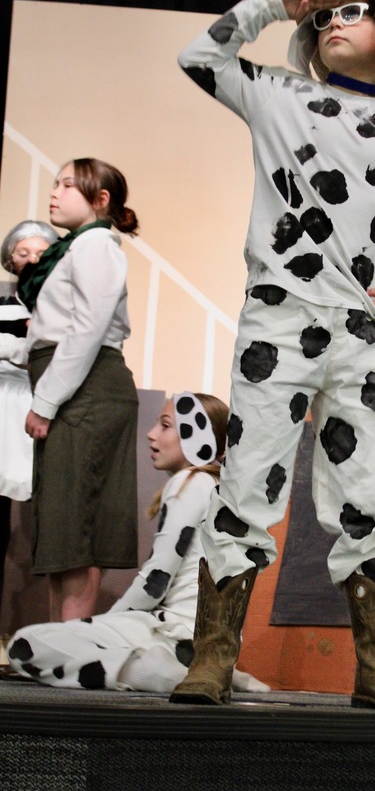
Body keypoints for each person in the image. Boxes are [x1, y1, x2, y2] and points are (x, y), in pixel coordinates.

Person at [169, 0, 375, 711]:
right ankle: (211, 660)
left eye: (352, 12)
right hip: (279, 322)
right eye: (324, 16)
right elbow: (198, 56)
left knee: (366, 494)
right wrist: (273, 3)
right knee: (246, 485)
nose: (333, 22)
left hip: (362, 339)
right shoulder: (275, 95)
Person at [6, 392, 270, 694]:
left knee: (24, 645)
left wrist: (100, 626)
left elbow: (155, 581)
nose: (151, 433)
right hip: (202, 639)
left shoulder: (191, 483)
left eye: (166, 425)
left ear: (198, 435)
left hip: (173, 633)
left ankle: (163, 673)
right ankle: (220, 672)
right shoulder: (218, 490)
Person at [0, 158, 140, 622]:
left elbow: (87, 329)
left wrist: (44, 403)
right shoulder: (71, 249)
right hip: (72, 385)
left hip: (87, 388)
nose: (54, 193)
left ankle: (70, 649)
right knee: (62, 521)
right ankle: (58, 646)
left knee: (76, 523)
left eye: (67, 185)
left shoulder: (97, 245)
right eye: (54, 183)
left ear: (100, 201)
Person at [0, 221, 58, 613]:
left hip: (36, 408)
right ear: (10, 259)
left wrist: (12, 349)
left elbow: (49, 354)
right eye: (24, 252)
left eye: (40, 253)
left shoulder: (57, 309)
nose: (31, 259)